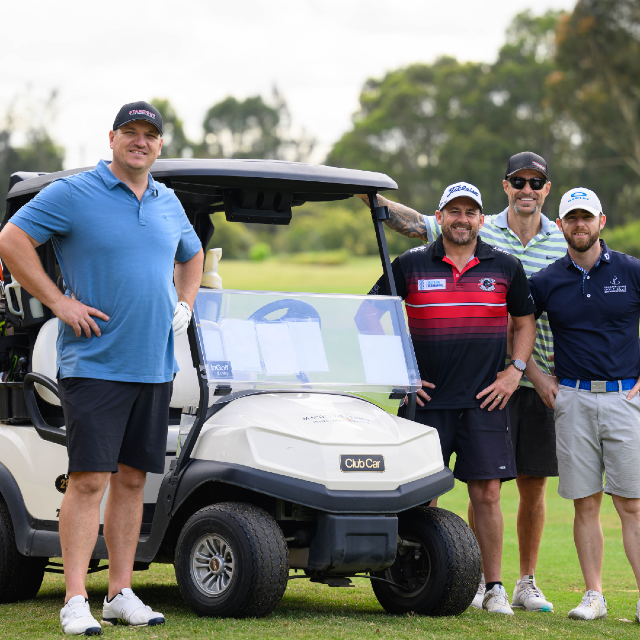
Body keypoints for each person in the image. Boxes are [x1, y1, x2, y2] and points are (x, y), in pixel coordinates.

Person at [0, 101, 204, 635]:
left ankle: (119, 593)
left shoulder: (167, 200)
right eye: (129, 132)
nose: (140, 141)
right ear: (111, 138)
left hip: (154, 364)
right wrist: (58, 302)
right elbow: (12, 240)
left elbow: (192, 253)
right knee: (90, 479)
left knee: (133, 481)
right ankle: (74, 599)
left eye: (149, 134)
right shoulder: (75, 192)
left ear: (160, 145)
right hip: (94, 364)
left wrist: (186, 301)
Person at [358, 151, 563, 612]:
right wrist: (398, 372)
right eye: (455, 211)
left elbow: (525, 321)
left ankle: (493, 588)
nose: (463, 219)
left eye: (471, 212)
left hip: (483, 402)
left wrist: (514, 370)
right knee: (423, 493)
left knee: (487, 494)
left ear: (480, 220)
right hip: (426, 401)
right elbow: (368, 314)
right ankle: (415, 578)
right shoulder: (412, 263)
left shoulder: (504, 266)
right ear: (440, 217)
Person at [527, 188, 640, 623]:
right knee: (585, 503)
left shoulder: (630, 270)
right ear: (560, 225)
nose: (579, 224)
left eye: (586, 217)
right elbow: (513, 326)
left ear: (601, 221)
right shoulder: (547, 279)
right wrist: (537, 377)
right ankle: (594, 596)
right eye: (571, 218)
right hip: (571, 399)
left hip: (624, 399)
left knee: (631, 504)